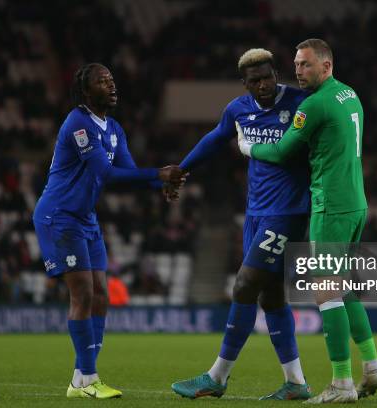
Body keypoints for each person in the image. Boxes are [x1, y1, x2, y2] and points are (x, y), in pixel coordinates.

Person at [238, 39, 377, 404]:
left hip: (332, 206)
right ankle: (372, 366)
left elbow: (280, 151)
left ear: (326, 66)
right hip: (355, 202)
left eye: (306, 65)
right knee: (344, 286)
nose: (298, 71)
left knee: (326, 290)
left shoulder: (314, 104)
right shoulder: (348, 94)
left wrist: (247, 146)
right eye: (296, 64)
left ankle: (341, 383)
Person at [32, 63, 186, 399]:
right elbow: (107, 173)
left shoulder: (114, 127)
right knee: (83, 293)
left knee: (101, 292)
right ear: (87, 92)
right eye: (103, 82)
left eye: (112, 81)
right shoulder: (78, 123)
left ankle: (80, 378)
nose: (112, 86)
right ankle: (88, 379)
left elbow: (129, 171)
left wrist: (159, 186)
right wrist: (159, 174)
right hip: (59, 216)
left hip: (84, 217)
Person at [171, 49, 312, 400]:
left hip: (289, 211)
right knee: (271, 295)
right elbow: (215, 139)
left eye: (267, 77)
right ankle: (296, 382)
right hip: (256, 212)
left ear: (275, 74)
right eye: (255, 81)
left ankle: (216, 376)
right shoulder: (238, 109)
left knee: (244, 285)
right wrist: (181, 168)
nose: (263, 85)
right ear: (244, 84)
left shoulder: (300, 103)